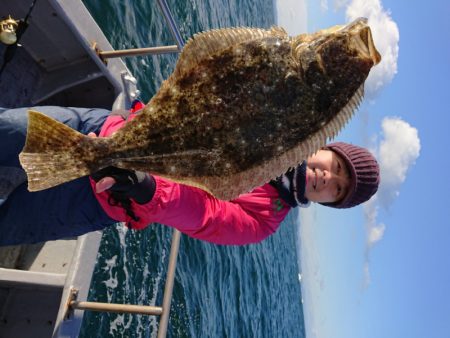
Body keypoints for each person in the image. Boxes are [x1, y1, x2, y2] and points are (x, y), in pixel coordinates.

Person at [0, 104, 380, 246]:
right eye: (338, 167)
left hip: (102, 197)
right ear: (329, 148)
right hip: (100, 130)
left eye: (338, 190)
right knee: (5, 128)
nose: (329, 179)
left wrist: (148, 189)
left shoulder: (264, 219)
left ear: (328, 202)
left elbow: (206, 216)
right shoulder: (269, 124)